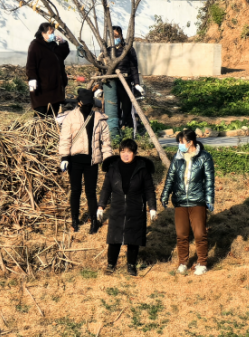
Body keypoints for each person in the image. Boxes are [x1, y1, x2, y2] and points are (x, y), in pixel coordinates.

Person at [98, 139, 157, 276]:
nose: (125, 155)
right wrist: (101, 206)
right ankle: (111, 264)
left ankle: (131, 265)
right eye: (123, 152)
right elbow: (106, 188)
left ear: (135, 153)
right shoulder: (113, 168)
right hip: (117, 207)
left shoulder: (142, 169)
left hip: (136, 207)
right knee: (114, 237)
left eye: (129, 152)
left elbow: (149, 190)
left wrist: (152, 208)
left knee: (133, 238)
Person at [160, 129, 215, 276]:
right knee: (181, 234)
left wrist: (209, 199)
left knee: (199, 233)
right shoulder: (177, 158)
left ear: (190, 142)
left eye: (181, 142)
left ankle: (202, 263)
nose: (179, 145)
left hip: (197, 200)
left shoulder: (204, 157)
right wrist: (165, 194)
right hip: (180, 201)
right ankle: (183, 262)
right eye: (179, 142)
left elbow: (209, 180)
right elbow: (170, 178)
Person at [58, 88, 113, 234]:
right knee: (75, 191)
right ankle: (74, 220)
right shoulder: (70, 118)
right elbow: (65, 139)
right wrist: (64, 157)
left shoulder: (99, 119)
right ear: (79, 102)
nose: (88, 106)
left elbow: (106, 143)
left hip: (92, 161)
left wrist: (108, 161)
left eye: (91, 103)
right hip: (75, 160)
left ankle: (94, 221)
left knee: (91, 192)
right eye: (86, 103)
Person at [26, 22, 70, 117]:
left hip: (56, 85)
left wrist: (63, 43)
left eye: (53, 32)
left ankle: (52, 129)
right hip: (43, 86)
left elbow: (62, 55)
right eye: (50, 32)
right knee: (41, 112)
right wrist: (32, 78)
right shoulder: (36, 45)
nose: (52, 35)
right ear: (43, 33)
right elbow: (31, 64)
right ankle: (39, 130)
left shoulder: (53, 45)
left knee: (53, 113)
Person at [107, 26, 143, 133]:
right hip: (112, 83)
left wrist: (136, 83)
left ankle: (127, 126)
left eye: (116, 36)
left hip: (126, 82)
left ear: (121, 36)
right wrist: (99, 86)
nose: (115, 38)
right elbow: (103, 70)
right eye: (113, 36)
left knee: (127, 106)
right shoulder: (108, 51)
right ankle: (116, 128)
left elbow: (133, 67)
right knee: (114, 106)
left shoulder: (128, 50)